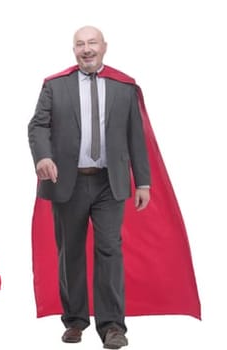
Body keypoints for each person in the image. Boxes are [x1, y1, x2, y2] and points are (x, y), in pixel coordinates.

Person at [27, 25, 179, 350]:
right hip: (67, 181)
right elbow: (37, 125)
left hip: (110, 182)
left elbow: (135, 136)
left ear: (104, 47)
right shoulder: (55, 86)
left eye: (92, 43)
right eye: (80, 44)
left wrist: (144, 182)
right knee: (70, 253)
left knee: (109, 250)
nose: (86, 49)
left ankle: (112, 326)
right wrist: (43, 156)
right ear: (74, 50)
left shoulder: (124, 87)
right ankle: (75, 320)